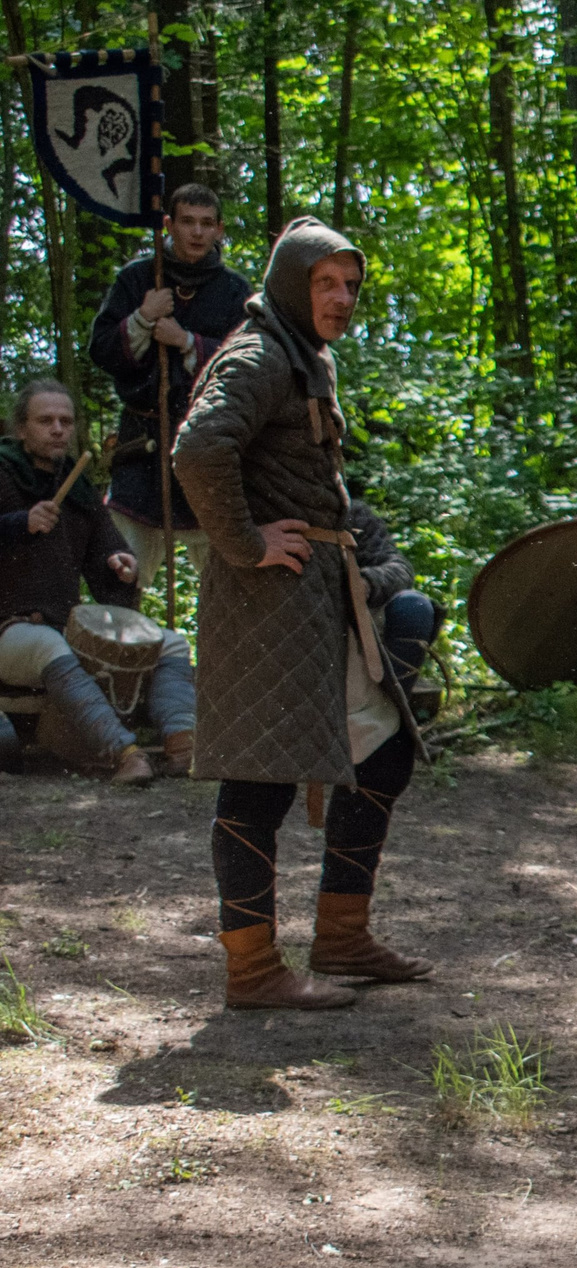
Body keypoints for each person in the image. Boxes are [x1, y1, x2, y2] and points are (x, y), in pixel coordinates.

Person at [174, 216, 436, 1012]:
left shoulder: (300, 356)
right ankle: (252, 969)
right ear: (293, 284)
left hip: (317, 597)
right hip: (266, 605)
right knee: (260, 785)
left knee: (383, 752)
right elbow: (197, 448)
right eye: (327, 283)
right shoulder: (258, 355)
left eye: (351, 285)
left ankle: (342, 935)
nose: (343, 297)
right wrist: (246, 542)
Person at [0, 379, 193, 784]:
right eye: (45, 420)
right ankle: (123, 752)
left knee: (172, 642)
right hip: (9, 628)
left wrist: (120, 566)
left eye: (65, 421)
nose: (57, 429)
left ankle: (184, 747)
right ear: (21, 429)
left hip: (60, 625)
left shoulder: (78, 486)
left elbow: (109, 555)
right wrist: (18, 524)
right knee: (48, 645)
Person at [86, 182, 254, 596]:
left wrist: (186, 342)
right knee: (121, 575)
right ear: (168, 225)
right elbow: (102, 350)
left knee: (228, 588)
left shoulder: (235, 291)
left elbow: (250, 363)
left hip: (207, 446)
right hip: (141, 448)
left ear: (219, 230)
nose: (197, 233)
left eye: (206, 224)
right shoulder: (137, 279)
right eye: (187, 222)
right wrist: (142, 318)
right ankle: (116, 661)